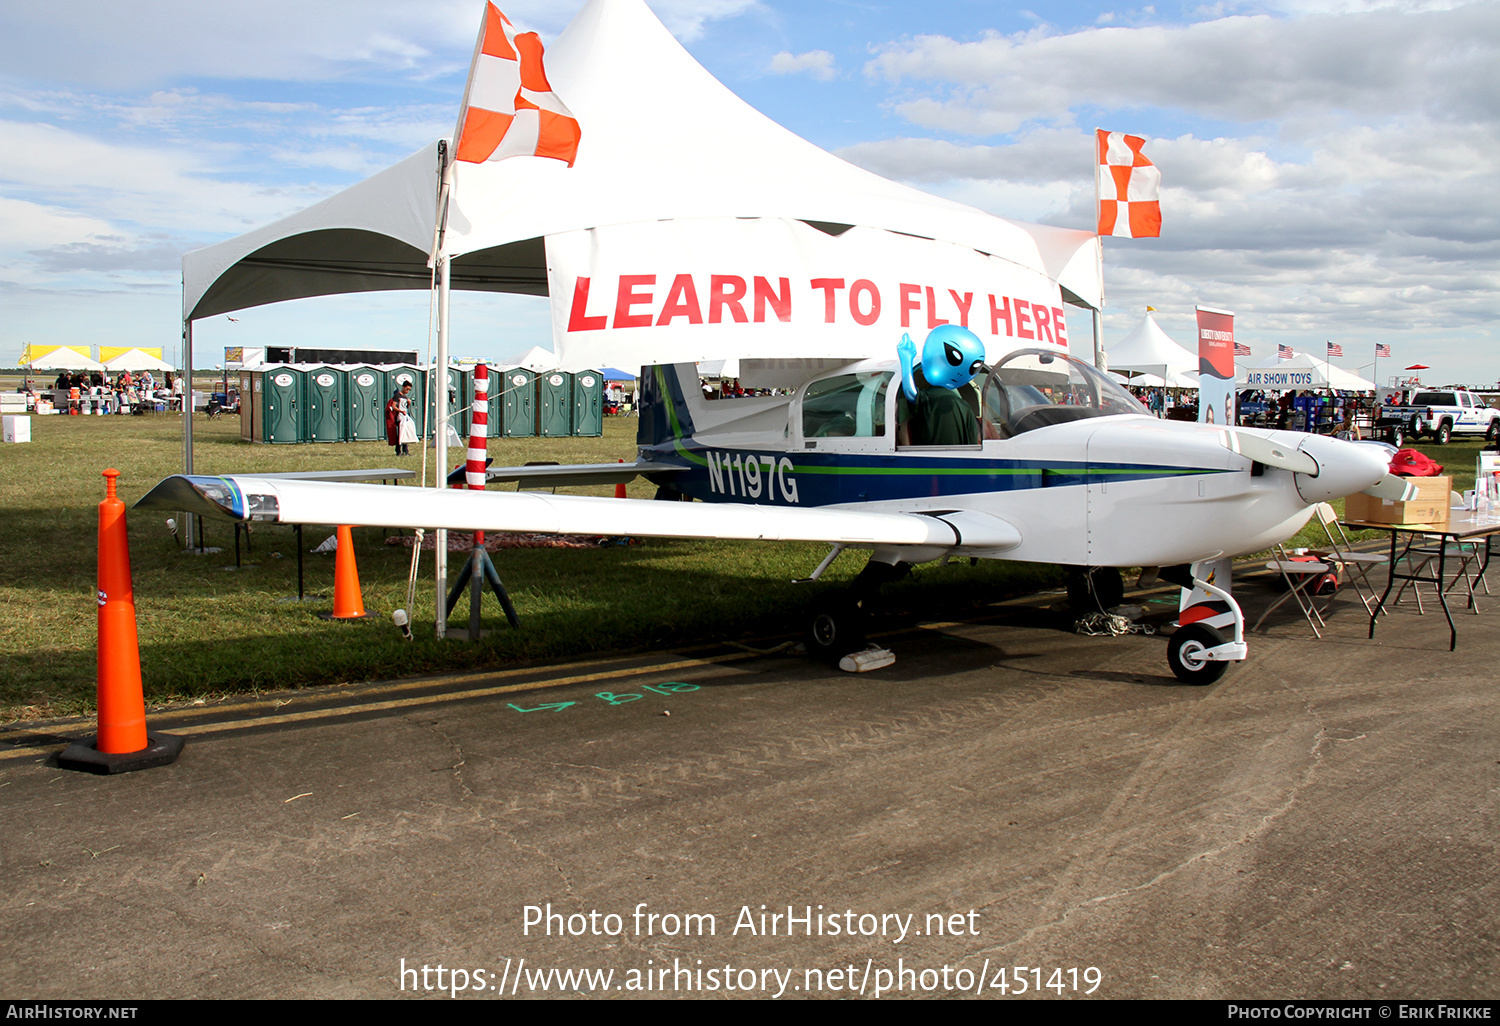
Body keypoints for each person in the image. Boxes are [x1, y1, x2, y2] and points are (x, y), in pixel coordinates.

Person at [386, 382, 416, 456]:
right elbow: (394, 406)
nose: (407, 391)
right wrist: (401, 411)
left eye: (409, 389)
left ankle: (405, 450)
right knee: (401, 433)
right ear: (403, 387)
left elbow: (406, 407)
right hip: (400, 416)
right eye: (407, 389)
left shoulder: (405, 397)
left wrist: (408, 403)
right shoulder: (397, 396)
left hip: (405, 416)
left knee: (405, 432)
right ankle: (399, 451)